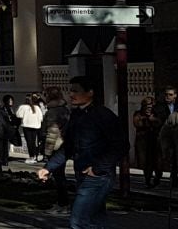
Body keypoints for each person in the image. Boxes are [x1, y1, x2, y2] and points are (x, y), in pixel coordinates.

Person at [37, 77, 127, 228]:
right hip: (82, 174)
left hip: (98, 177)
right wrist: (48, 167)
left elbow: (121, 145)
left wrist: (98, 168)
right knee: (95, 219)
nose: (71, 94)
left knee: (78, 221)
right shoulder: (76, 115)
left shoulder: (103, 115)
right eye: (70, 90)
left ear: (90, 92)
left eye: (76, 91)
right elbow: (68, 147)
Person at [133, 96, 162, 188]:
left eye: (150, 106)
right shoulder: (138, 114)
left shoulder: (156, 114)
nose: (148, 108)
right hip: (143, 142)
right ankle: (148, 179)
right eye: (147, 106)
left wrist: (153, 120)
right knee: (146, 162)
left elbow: (160, 123)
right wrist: (146, 119)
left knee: (157, 161)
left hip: (155, 141)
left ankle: (158, 177)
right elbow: (137, 123)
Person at [16, 94, 44, 164]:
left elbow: (18, 115)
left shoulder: (23, 107)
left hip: (26, 126)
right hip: (36, 126)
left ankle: (31, 156)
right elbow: (41, 118)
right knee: (34, 141)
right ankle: (35, 156)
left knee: (29, 141)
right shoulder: (37, 107)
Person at [0, 94, 20, 166]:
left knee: (6, 145)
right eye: (9, 100)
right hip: (3, 130)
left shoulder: (11, 110)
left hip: (8, 130)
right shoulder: (3, 110)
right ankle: (2, 159)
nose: (11, 102)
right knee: (2, 145)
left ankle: (5, 159)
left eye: (12, 100)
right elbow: (3, 121)